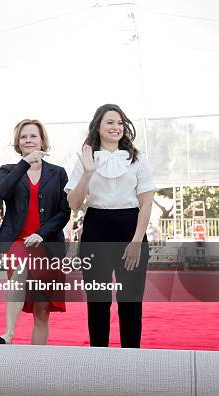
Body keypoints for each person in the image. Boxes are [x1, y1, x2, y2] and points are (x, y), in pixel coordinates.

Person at [65, 103, 155, 348]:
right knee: (98, 301)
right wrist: (87, 173)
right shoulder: (85, 159)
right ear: (98, 126)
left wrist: (137, 241)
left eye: (120, 122)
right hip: (96, 228)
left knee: (131, 302)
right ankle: (99, 360)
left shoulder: (138, 159)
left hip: (131, 229)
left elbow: (146, 203)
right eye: (110, 122)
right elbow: (73, 202)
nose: (116, 127)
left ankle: (131, 359)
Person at [0, 119, 70, 345]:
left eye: (33, 136)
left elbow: (64, 212)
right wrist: (24, 164)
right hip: (16, 242)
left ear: (42, 140)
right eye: (24, 137)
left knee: (42, 311)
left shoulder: (58, 173)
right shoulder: (8, 170)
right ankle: (8, 334)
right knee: (20, 271)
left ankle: (37, 360)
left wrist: (42, 233)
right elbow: (4, 192)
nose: (28, 140)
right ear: (18, 142)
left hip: (48, 245)